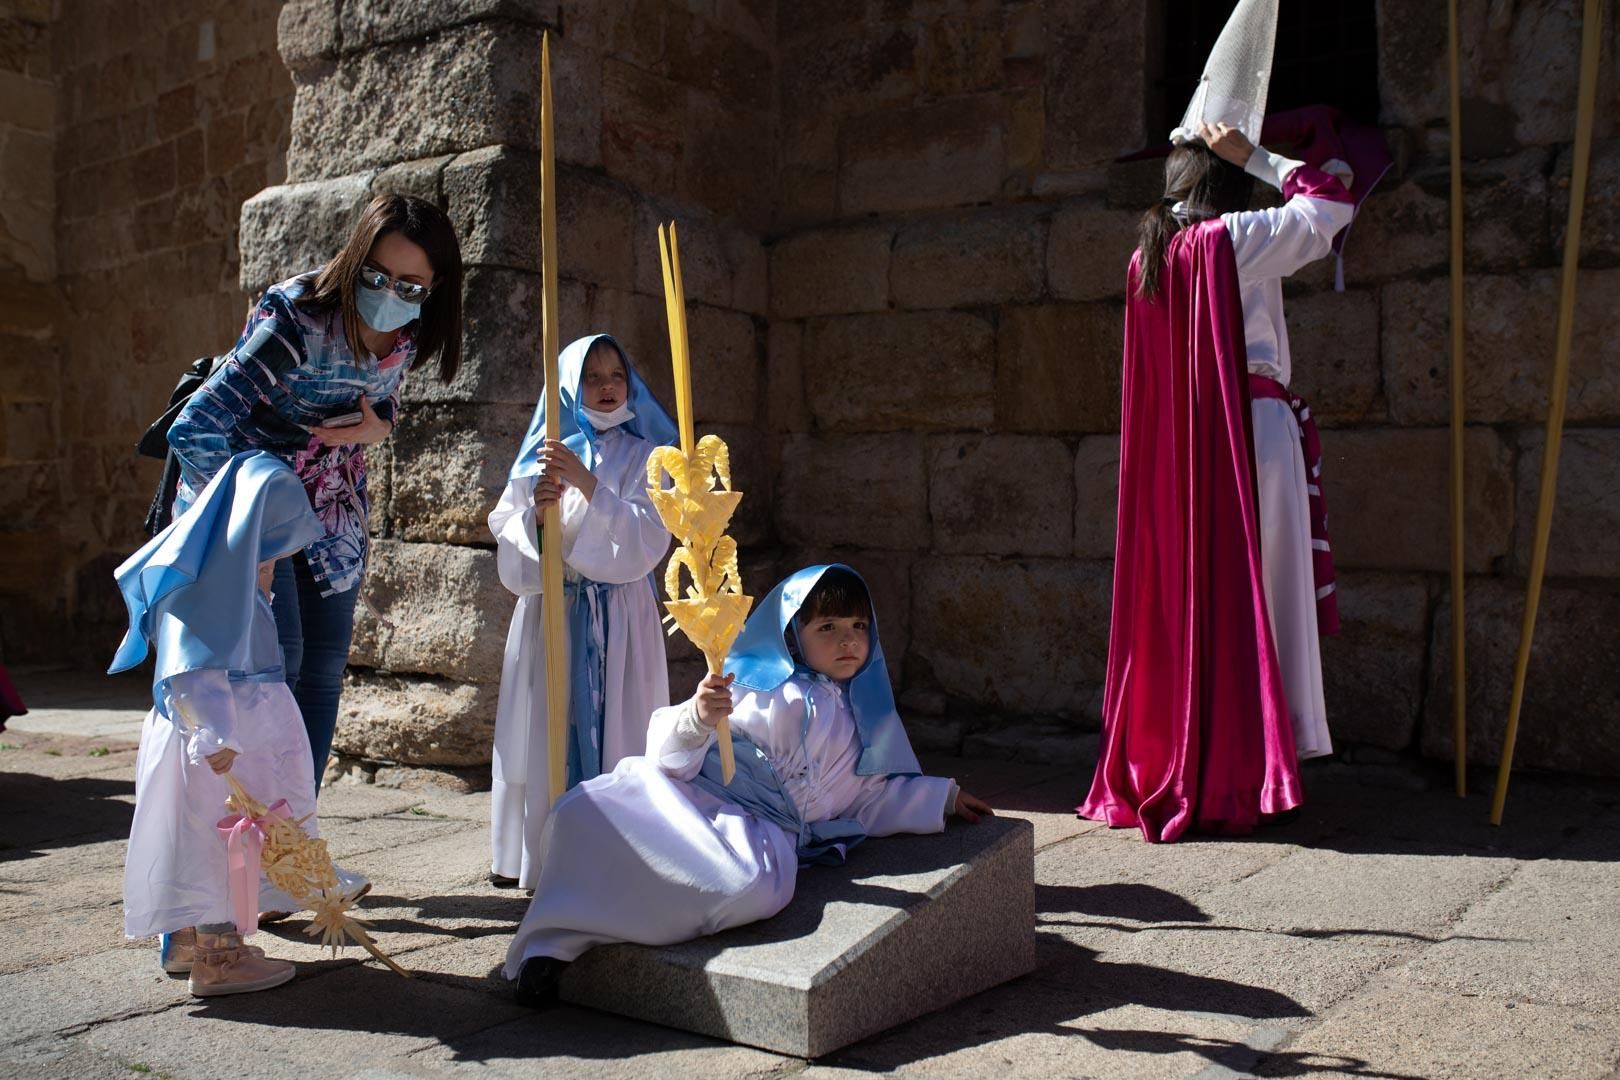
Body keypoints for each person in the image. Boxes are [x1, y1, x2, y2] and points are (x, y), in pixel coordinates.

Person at [504, 564, 992, 1006]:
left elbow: (868, 797)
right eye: (828, 628)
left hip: (757, 830)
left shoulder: (862, 714)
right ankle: (552, 945)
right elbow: (671, 749)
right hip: (696, 797)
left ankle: (600, 930)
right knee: (583, 814)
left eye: (858, 627)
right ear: (793, 636)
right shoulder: (759, 686)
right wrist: (698, 716)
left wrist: (939, 797)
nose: (848, 641)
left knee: (749, 886)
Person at [1078, 119, 1354, 843]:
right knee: (1262, 596)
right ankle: (1252, 762)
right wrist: (1262, 157)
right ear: (1225, 182)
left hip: (1176, 447)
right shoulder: (1236, 236)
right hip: (1249, 436)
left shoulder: (1146, 256)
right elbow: (1330, 204)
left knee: (1185, 600)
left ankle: (1182, 754)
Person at [166, 193, 464, 792]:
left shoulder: (408, 332)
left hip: (333, 514)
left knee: (325, 671)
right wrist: (249, 540)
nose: (391, 294)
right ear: (355, 259)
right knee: (279, 668)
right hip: (254, 513)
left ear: (434, 290)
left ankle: (300, 835)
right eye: (378, 276)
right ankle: (257, 835)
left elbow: (381, 401)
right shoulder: (295, 320)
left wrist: (382, 426)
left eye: (411, 285)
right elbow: (196, 426)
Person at [110, 451, 325, 996]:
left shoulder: (229, 587)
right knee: (220, 843)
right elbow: (193, 669)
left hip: (233, 739)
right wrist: (215, 735)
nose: (274, 566)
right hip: (222, 749)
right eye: (268, 551)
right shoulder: (211, 593)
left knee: (202, 840)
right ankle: (220, 959)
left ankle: (187, 941)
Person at [487, 334, 678, 889]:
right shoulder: (540, 456)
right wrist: (538, 521)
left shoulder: (647, 456)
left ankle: (617, 848)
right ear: (569, 388)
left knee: (619, 722)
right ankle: (538, 852)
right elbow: (508, 528)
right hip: (553, 613)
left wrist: (588, 484)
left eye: (615, 374)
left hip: (617, 617)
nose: (605, 386)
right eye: (591, 377)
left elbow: (649, 535)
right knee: (544, 727)